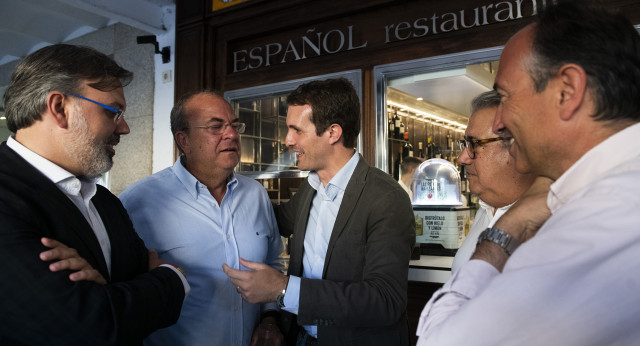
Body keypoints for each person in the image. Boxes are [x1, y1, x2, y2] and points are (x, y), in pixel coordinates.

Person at [416, 2, 640, 345]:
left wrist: (508, 227)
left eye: (505, 97)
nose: (500, 121)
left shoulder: (602, 218)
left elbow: (442, 341)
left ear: (567, 90)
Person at [0, 44, 188, 345]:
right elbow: (88, 327)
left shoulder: (105, 201)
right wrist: (173, 278)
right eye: (113, 111)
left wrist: (108, 295)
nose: (125, 128)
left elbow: (118, 294)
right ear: (60, 108)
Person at [223, 78, 416, 345]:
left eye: (297, 130)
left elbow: (385, 301)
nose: (287, 140)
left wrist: (282, 288)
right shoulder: (310, 188)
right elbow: (274, 219)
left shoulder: (386, 198)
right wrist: (229, 187)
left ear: (333, 133)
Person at [119, 91, 285, 346]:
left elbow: (273, 262)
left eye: (233, 125)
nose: (231, 134)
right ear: (183, 140)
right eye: (216, 126)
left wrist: (270, 318)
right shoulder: (138, 202)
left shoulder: (256, 195)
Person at [451, 90, 535, 274]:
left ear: (517, 147)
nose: (462, 158)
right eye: (464, 144)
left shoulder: (548, 225)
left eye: (473, 144)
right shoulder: (486, 209)